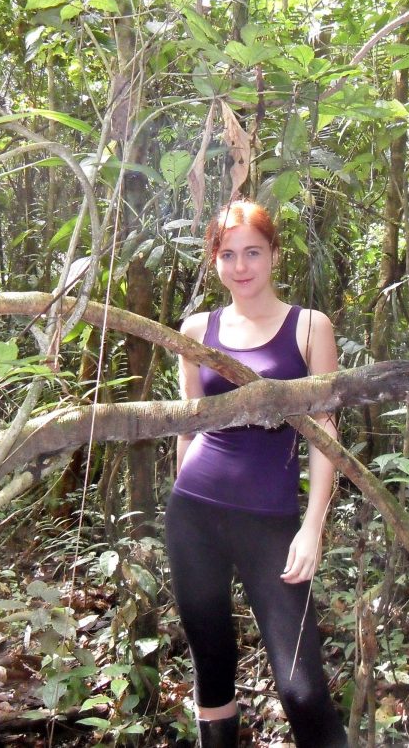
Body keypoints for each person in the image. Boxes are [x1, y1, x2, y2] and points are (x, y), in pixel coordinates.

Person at [167, 200, 349, 748]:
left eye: (252, 252)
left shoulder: (310, 327)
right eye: (228, 255)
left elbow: (325, 434)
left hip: (272, 521)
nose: (241, 266)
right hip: (194, 514)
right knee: (212, 663)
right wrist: (179, 499)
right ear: (214, 260)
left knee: (300, 685)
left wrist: (312, 527)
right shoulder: (196, 329)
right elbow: (188, 425)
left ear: (273, 255)